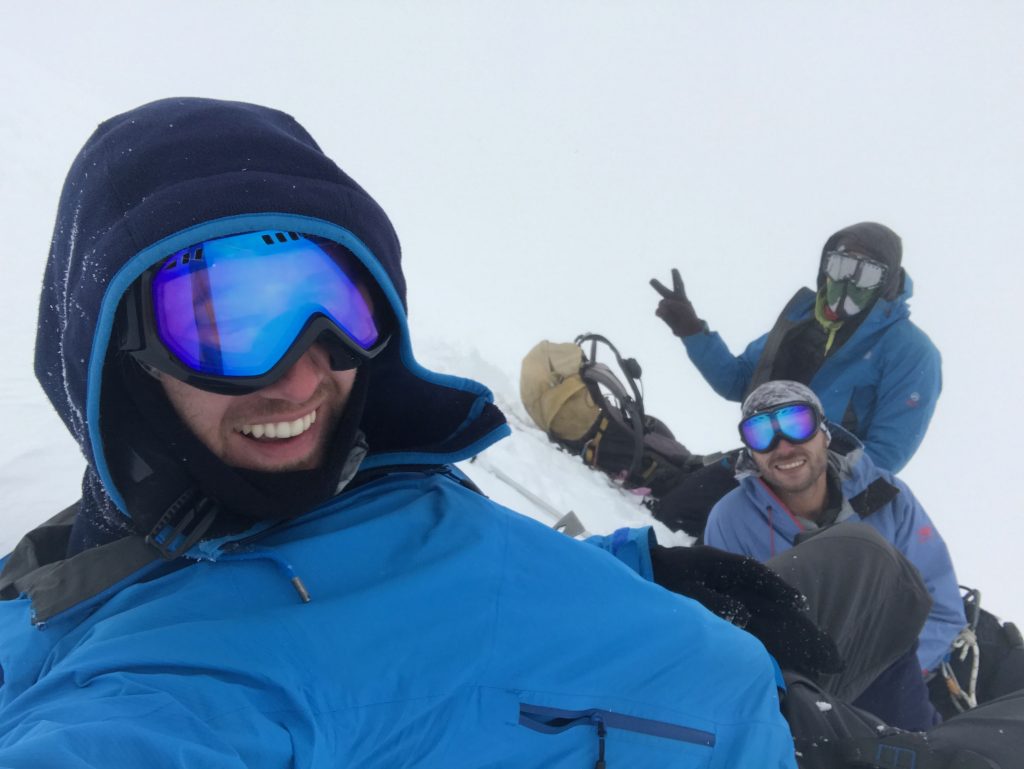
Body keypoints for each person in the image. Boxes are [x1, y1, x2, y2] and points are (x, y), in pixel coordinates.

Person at [0, 97, 802, 768]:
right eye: (229, 321)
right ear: (114, 354)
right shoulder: (166, 680)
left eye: (334, 308)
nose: (303, 376)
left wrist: (638, 567)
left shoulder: (326, 476)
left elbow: (433, 595)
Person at [704, 380, 967, 730]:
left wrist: (893, 673)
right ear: (750, 451)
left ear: (825, 433)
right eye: (760, 433)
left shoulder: (887, 497)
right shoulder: (732, 519)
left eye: (797, 424)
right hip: (805, 692)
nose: (782, 446)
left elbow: (942, 609)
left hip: (897, 677)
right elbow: (732, 632)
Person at [651, 222, 941, 473]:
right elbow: (739, 383)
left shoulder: (909, 351)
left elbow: (887, 454)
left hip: (825, 493)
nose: (848, 280)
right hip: (765, 461)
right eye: (840, 266)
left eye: (866, 273)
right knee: (671, 484)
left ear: (888, 280)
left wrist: (810, 486)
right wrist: (692, 333)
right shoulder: (803, 321)